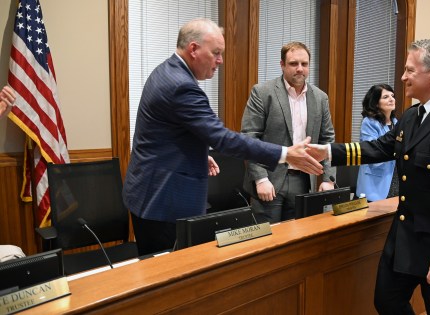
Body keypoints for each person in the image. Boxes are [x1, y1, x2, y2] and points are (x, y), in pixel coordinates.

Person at [307, 39, 430, 314]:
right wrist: (328, 151)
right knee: (387, 301)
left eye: (409, 70)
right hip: (406, 237)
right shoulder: (412, 116)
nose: (402, 77)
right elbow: (379, 148)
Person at [122, 19, 323, 256]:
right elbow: (222, 138)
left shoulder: (167, 71)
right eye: (216, 53)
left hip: (153, 193)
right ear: (194, 49)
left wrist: (198, 152)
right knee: (170, 282)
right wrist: (284, 153)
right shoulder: (180, 86)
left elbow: (164, 132)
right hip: (164, 201)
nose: (220, 61)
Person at [240, 41, 335, 223]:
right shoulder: (262, 92)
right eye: (293, 64)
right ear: (282, 65)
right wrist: (260, 179)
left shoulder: (320, 98)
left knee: (297, 239)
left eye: (304, 64)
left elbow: (327, 138)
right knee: (268, 242)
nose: (299, 69)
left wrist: (328, 179)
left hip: (303, 179)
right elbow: (250, 138)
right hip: (269, 180)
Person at [355, 84, 398, 202]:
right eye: (385, 97)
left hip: (394, 178)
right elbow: (372, 152)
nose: (391, 99)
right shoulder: (369, 122)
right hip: (375, 182)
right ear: (375, 103)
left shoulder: (396, 122)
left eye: (392, 96)